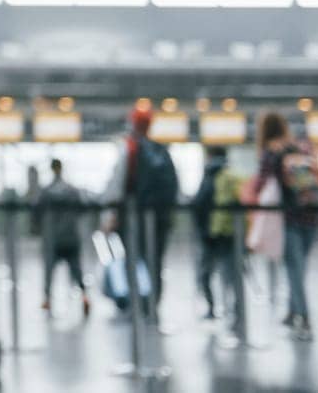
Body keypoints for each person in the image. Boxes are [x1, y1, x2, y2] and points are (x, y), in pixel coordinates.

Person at [256, 110, 318, 340]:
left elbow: (262, 183)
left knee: (294, 269)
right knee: (300, 267)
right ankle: (292, 310)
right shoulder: (297, 148)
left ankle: (304, 316)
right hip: (310, 216)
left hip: (287, 217)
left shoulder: (270, 153)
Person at [104, 105, 180, 316]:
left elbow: (118, 184)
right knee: (155, 262)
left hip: (133, 216)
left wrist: (110, 216)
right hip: (160, 218)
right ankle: (153, 304)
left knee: (133, 261)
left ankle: (135, 303)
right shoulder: (160, 150)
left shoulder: (130, 147)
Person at [190, 146, 244, 329]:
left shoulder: (210, 174)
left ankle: (213, 308)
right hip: (229, 233)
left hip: (211, 233)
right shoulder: (230, 175)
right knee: (231, 275)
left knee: (206, 274)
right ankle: (236, 310)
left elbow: (200, 203)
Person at [36, 159, 91, 318]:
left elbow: (37, 214)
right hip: (71, 237)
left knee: (49, 272)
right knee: (77, 271)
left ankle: (47, 301)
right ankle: (85, 297)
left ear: (52, 169)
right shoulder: (72, 191)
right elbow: (83, 209)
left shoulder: (46, 192)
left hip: (52, 238)